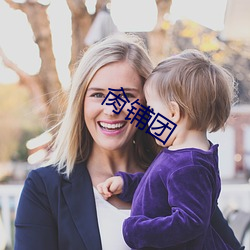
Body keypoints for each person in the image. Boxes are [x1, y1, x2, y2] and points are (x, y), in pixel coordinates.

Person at [14, 34, 242, 250]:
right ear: (81, 103)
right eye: (98, 95)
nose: (112, 109)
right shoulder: (44, 187)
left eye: (128, 96)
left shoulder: (180, 171)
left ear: (148, 105)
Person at [97, 49, 244, 249]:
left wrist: (138, 230)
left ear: (173, 112)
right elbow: (160, 188)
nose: (147, 118)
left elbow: (190, 222)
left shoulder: (188, 166)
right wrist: (128, 184)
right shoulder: (182, 156)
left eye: (151, 110)